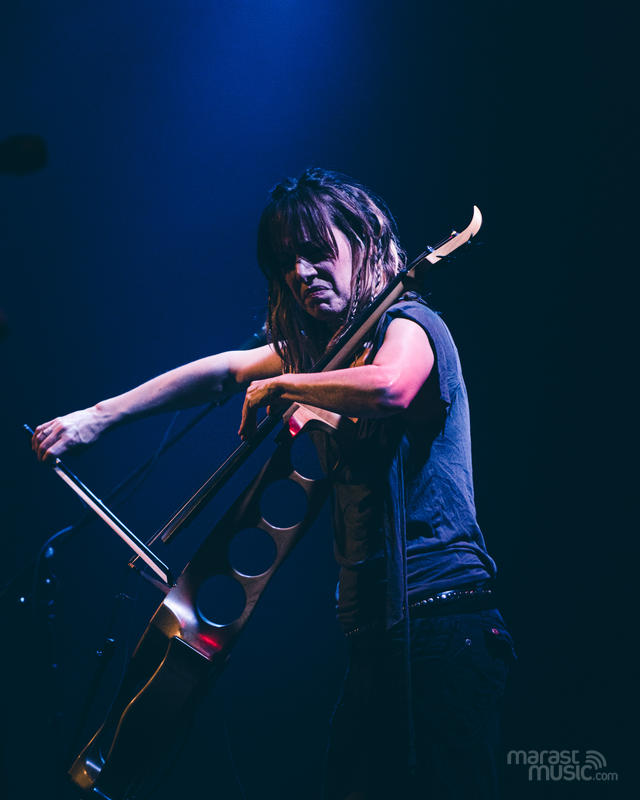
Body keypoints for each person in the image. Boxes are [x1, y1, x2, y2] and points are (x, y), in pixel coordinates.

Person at [32, 168, 514, 799]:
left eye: (316, 251)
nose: (301, 272)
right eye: (287, 262)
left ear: (365, 242)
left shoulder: (411, 323)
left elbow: (391, 386)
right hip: (372, 632)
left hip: (444, 619)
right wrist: (97, 417)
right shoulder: (328, 356)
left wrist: (284, 384)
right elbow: (224, 372)